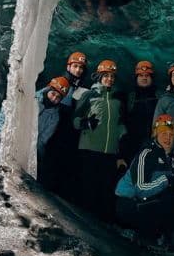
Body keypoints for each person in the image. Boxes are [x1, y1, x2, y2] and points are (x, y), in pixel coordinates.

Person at [115, 114, 174, 252]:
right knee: (166, 198)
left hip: (147, 202)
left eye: (171, 134)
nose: (167, 138)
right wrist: (166, 180)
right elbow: (141, 189)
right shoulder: (147, 153)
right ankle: (144, 236)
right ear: (156, 134)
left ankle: (169, 239)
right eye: (163, 133)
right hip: (128, 202)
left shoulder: (173, 158)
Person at [73, 59, 127, 221]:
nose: (109, 79)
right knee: (89, 187)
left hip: (110, 151)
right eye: (106, 76)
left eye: (112, 76)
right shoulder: (89, 95)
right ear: (99, 77)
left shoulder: (117, 99)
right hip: (90, 149)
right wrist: (85, 123)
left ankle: (103, 223)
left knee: (106, 188)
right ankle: (84, 222)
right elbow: (75, 120)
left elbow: (120, 123)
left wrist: (123, 135)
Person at [51, 51, 89, 199]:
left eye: (81, 67)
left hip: (71, 131)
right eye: (75, 66)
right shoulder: (58, 82)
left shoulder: (83, 87)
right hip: (56, 129)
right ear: (68, 66)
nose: (78, 70)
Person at [35, 76, 71, 186]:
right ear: (48, 89)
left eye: (58, 97)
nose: (54, 98)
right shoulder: (33, 98)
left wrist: (36, 156)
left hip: (34, 147)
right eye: (53, 94)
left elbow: (43, 140)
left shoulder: (55, 117)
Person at [121, 61, 159, 161]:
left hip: (155, 146)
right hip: (132, 149)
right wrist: (121, 155)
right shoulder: (129, 98)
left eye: (147, 75)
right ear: (136, 78)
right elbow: (122, 127)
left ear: (152, 78)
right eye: (141, 75)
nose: (144, 78)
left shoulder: (159, 96)